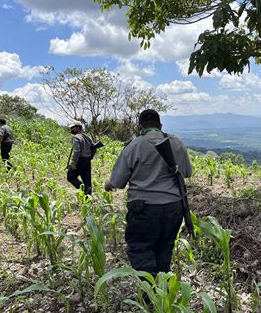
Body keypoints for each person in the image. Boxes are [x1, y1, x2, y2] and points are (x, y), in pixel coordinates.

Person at [104, 109, 192, 277]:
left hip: (144, 208)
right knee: (165, 248)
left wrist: (108, 184)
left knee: (141, 249)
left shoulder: (133, 146)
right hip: (174, 207)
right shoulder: (177, 143)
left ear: (140, 126)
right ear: (160, 125)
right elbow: (187, 172)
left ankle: (149, 294)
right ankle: (161, 288)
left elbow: (117, 182)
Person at [67, 121, 94, 195]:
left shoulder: (76, 137)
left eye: (73, 128)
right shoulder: (87, 137)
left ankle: (85, 188)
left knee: (70, 177)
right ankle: (88, 200)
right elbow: (94, 147)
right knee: (87, 180)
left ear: (78, 128)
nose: (71, 129)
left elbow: (77, 151)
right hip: (87, 160)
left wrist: (74, 164)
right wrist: (90, 157)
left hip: (80, 160)